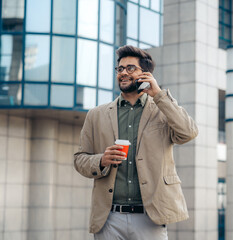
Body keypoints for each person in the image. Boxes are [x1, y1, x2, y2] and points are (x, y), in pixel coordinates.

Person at [74, 45, 198, 240]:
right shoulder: (96, 115)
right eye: (120, 69)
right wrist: (101, 160)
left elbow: (188, 133)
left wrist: (158, 95)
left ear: (145, 74)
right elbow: (80, 159)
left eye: (130, 68)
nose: (123, 73)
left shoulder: (162, 110)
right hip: (109, 218)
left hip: (150, 217)